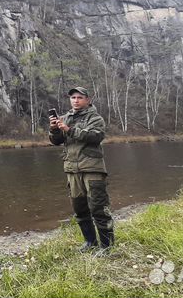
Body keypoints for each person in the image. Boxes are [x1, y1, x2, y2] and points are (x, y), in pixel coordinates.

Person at [49, 87, 114, 252]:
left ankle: (107, 246)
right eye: (73, 97)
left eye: (79, 97)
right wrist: (54, 129)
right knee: (80, 209)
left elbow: (96, 136)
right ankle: (90, 242)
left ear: (88, 100)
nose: (75, 100)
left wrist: (69, 130)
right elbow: (56, 141)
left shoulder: (95, 118)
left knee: (99, 209)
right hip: (72, 169)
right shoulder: (64, 118)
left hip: (92, 169)